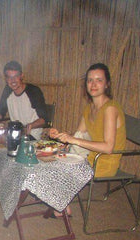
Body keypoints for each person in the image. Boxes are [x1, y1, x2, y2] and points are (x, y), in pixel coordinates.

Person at [48, 63, 126, 217]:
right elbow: (78, 135)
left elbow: (108, 147)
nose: (93, 84)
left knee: (64, 166)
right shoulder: (89, 108)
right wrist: (60, 136)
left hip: (104, 161)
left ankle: (61, 204)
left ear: (107, 84)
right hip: (90, 155)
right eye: (90, 80)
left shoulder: (110, 109)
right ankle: (62, 204)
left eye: (99, 80)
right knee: (54, 159)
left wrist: (73, 140)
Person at [0, 61, 48, 140]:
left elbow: (44, 119)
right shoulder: (7, 90)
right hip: (13, 135)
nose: (13, 80)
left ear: (21, 76)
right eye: (9, 77)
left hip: (31, 136)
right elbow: (0, 112)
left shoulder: (33, 91)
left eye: (16, 76)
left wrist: (29, 126)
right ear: (6, 79)